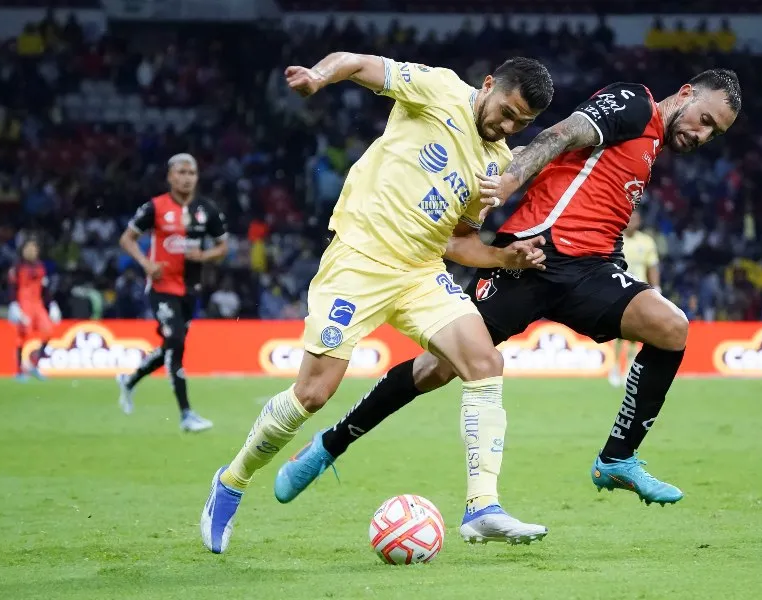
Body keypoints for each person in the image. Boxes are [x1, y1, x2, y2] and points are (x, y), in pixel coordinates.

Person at [279, 69, 741, 530]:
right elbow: (563, 133)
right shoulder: (635, 104)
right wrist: (511, 176)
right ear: (684, 92)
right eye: (704, 119)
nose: (703, 134)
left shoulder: (652, 144)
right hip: (532, 258)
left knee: (672, 327)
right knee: (436, 368)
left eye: (714, 133)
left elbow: (595, 197)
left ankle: (618, 458)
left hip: (590, 272)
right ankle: (329, 445)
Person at [200, 51, 554, 554]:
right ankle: (231, 482)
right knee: (313, 394)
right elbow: (357, 63)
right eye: (506, 110)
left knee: (484, 361)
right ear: (489, 84)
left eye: (522, 122)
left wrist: (503, 256)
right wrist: (319, 77)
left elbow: (458, 241)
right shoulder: (439, 89)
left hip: (420, 273)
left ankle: (482, 506)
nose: (508, 125)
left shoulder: (495, 165)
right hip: (359, 260)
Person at [117, 154, 228, 432]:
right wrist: (145, 263)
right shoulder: (155, 207)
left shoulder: (207, 210)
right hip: (161, 287)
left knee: (170, 344)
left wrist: (203, 255)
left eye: (192, 172)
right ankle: (186, 414)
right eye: (181, 172)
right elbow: (126, 239)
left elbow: (223, 246)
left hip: (191, 290)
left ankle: (129, 381)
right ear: (170, 176)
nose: (187, 177)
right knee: (176, 341)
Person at [608, 210, 660, 387]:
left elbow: (652, 266)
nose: (632, 222)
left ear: (640, 222)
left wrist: (656, 288)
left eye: (636, 219)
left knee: (634, 332)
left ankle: (628, 369)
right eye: (630, 219)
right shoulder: (614, 240)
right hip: (617, 291)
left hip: (639, 292)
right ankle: (615, 366)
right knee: (617, 331)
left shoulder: (646, 242)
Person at [8, 239, 61, 380]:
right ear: (23, 250)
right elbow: (12, 287)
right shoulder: (18, 267)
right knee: (22, 337)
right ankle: (19, 371)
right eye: (29, 248)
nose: (31, 251)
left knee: (49, 331)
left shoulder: (40, 266)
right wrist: (14, 304)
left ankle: (35, 363)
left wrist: (52, 304)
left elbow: (45, 288)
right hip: (23, 304)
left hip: (38, 304)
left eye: (34, 248)